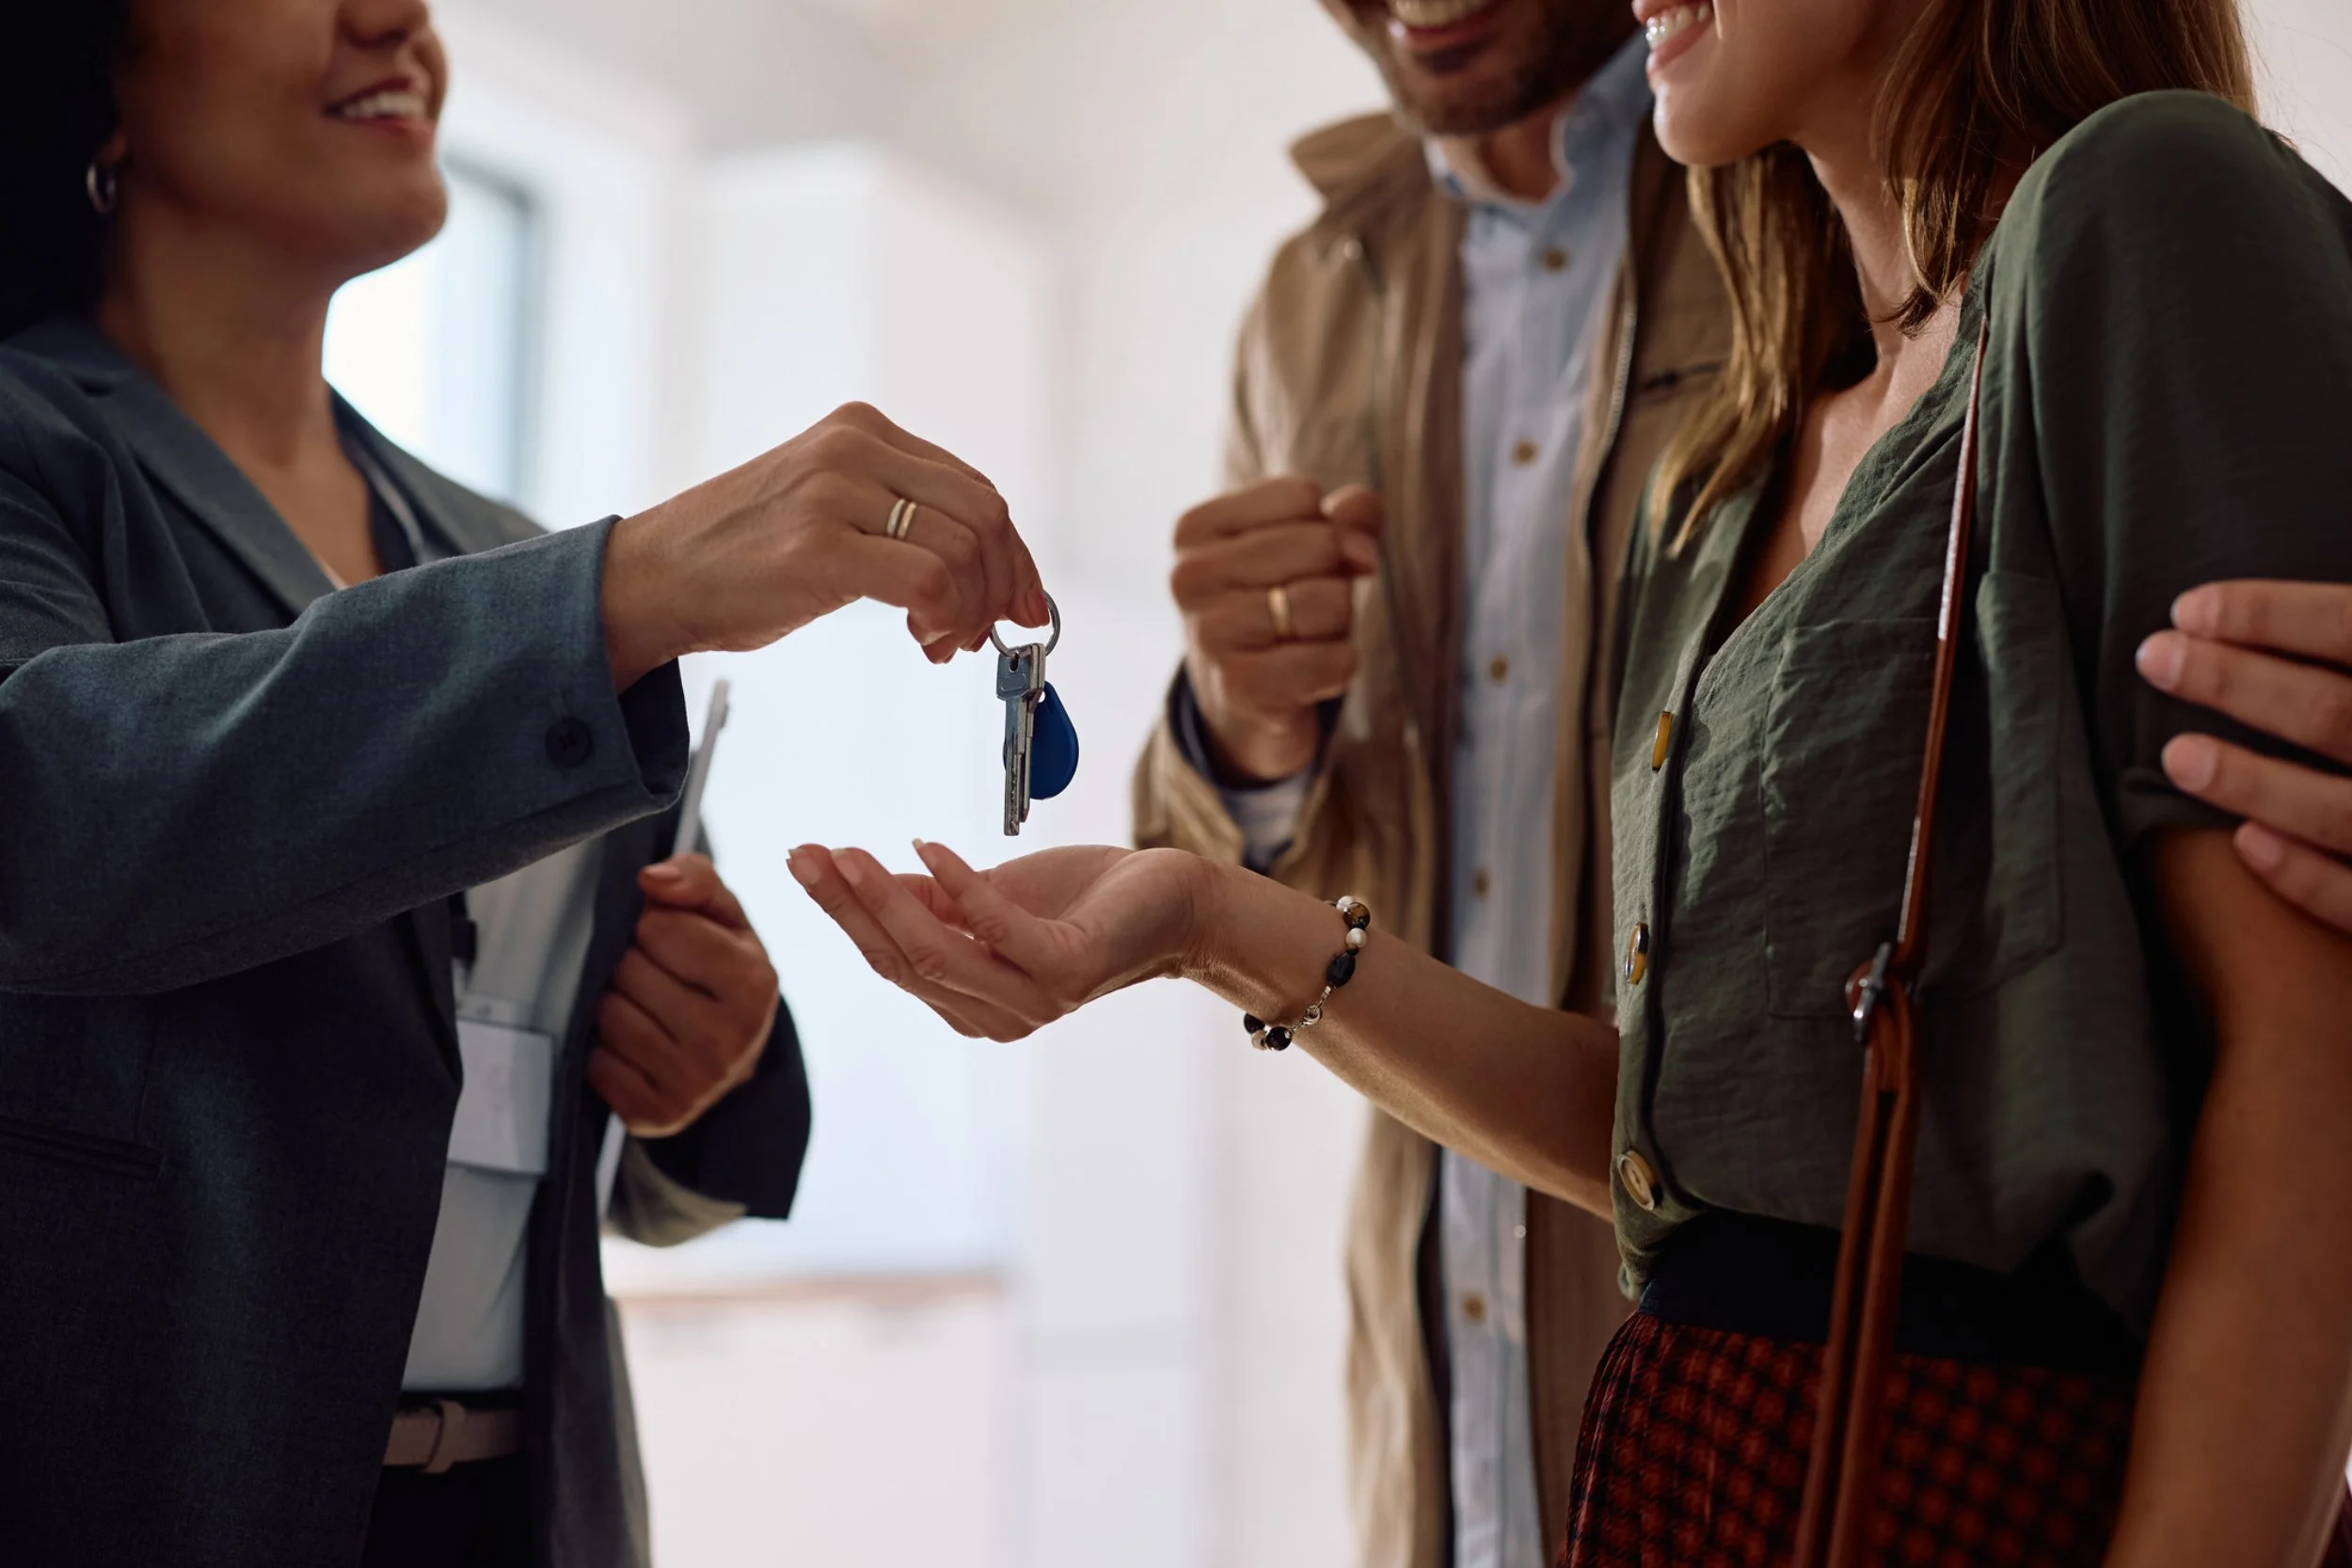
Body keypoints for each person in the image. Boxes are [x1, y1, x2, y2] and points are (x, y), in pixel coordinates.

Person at [800, 0, 2352, 1560]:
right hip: (1678, 1486)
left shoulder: (2141, 210)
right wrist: (1207, 920)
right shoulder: (1729, 479)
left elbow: (2309, 1075)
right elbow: (1678, 1134)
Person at [0, 2, 1044, 1566]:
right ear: (99, 78)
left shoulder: (491, 544)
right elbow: (50, 812)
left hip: (526, 1506)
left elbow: (556, 1130)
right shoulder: (33, 447)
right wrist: (622, 591)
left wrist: (704, 1068)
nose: (396, 18)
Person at [1132, 2, 1729, 1559]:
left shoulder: (1789, 178)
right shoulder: (1304, 294)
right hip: (1431, 1407)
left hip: (1740, 1393)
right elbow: (1222, 850)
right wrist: (1240, 722)